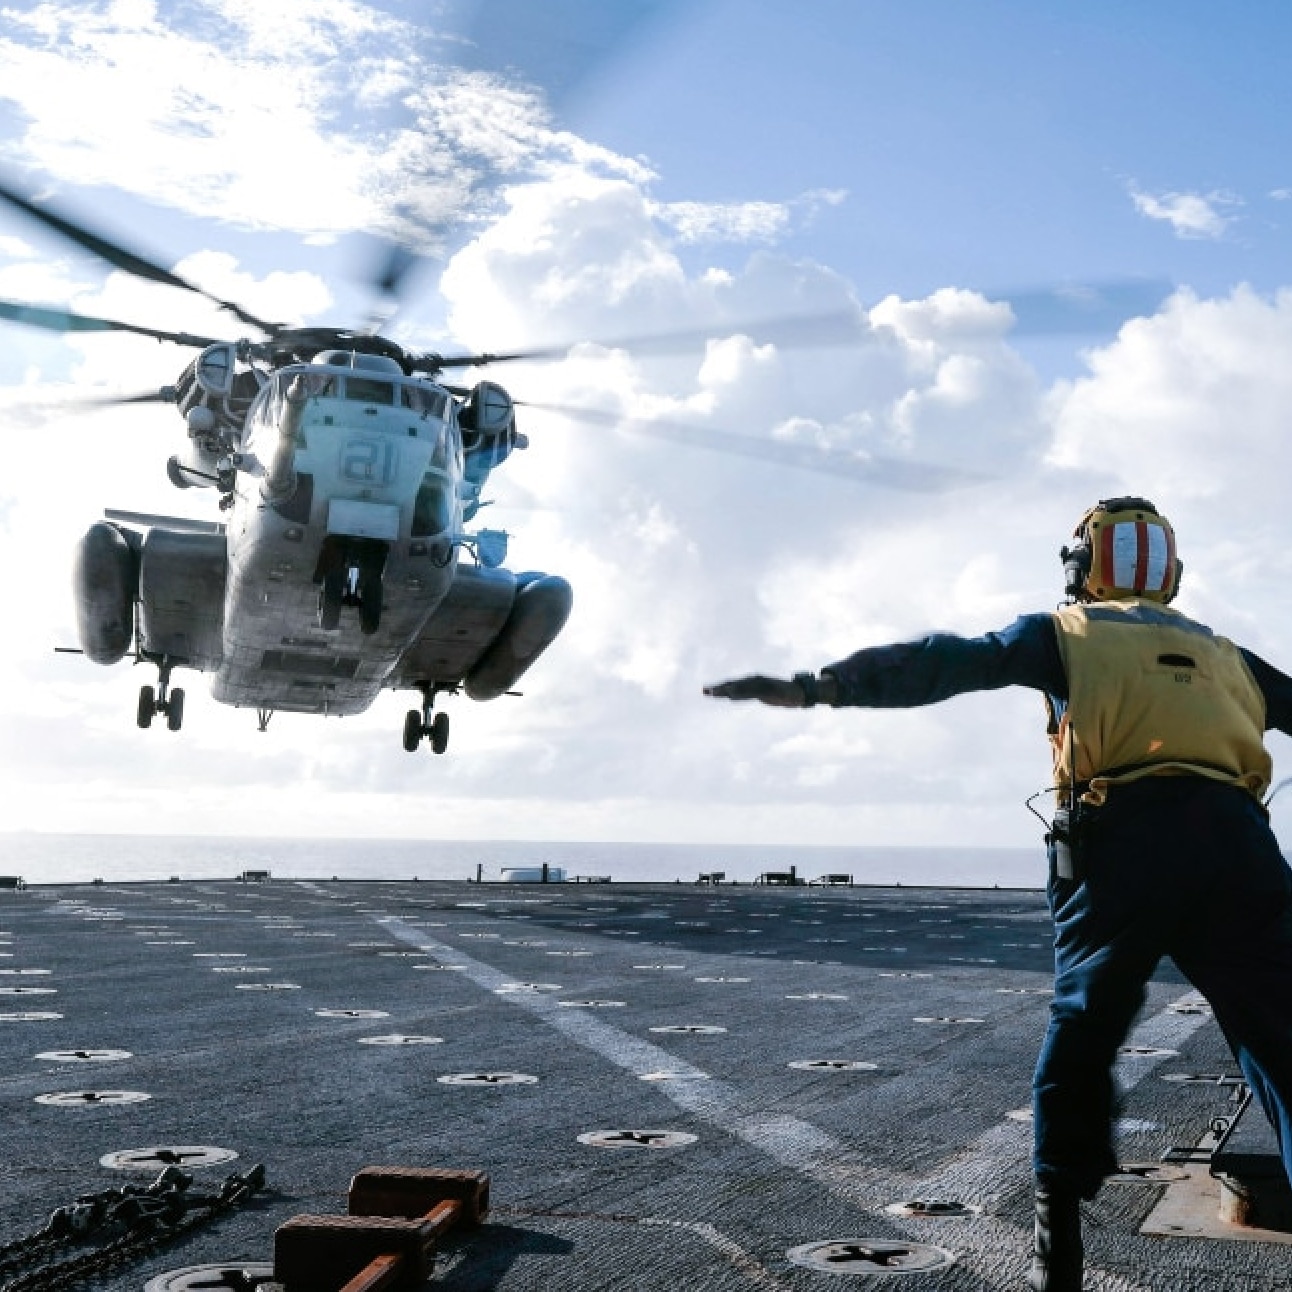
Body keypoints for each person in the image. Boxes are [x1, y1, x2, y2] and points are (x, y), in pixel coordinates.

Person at [705, 497, 1292, 1292]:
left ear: (1082, 565)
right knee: (1283, 1037)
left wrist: (820, 688)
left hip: (1125, 839)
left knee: (1086, 1024)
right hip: (1241, 848)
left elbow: (946, 661)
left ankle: (1059, 1223)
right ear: (1171, 573)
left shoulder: (1068, 632)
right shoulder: (1229, 655)